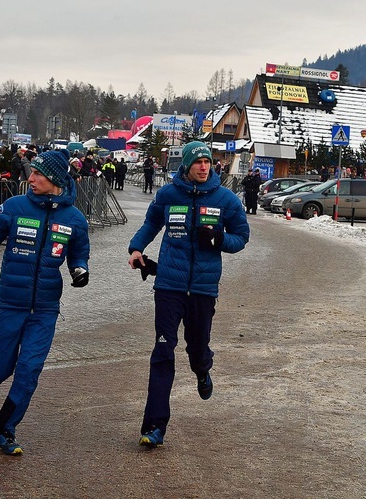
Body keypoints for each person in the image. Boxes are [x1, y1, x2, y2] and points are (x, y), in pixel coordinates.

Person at [0, 149, 90, 456]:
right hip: (10, 304)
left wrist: (80, 269)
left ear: (55, 179)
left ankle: (5, 429)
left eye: (37, 174)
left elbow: (78, 253)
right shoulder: (14, 206)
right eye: (31, 172)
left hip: (46, 309)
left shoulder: (75, 219)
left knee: (28, 371)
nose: (30, 178)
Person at [127, 140, 250, 449]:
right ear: (186, 165)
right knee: (163, 352)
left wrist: (219, 238)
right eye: (198, 162)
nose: (203, 166)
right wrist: (137, 247)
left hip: (204, 290)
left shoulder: (226, 199)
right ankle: (154, 426)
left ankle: (202, 369)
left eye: (207, 161)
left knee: (196, 349)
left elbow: (242, 237)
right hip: (168, 285)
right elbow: (151, 223)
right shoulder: (168, 195)